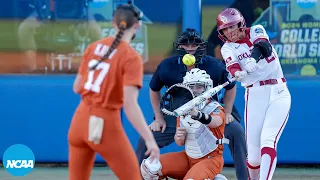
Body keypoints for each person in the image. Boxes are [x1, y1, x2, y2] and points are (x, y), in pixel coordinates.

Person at [135, 28, 248, 180]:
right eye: (185, 45)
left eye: (194, 44)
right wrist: (158, 118)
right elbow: (154, 89)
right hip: (179, 114)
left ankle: (244, 177)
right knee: (146, 140)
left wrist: (227, 112)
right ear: (179, 47)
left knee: (237, 132)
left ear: (201, 46)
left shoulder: (214, 65)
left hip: (210, 111)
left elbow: (230, 87)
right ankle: (134, 176)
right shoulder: (167, 66)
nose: (190, 48)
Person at [67, 2, 160, 180]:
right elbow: (130, 105)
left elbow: (77, 87)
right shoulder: (131, 57)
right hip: (104, 123)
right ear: (137, 25)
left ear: (113, 23)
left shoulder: (93, 47)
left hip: (79, 121)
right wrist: (149, 139)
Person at [217, 8, 291, 180]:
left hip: (278, 90)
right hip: (254, 94)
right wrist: (237, 73)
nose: (230, 32)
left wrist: (251, 59)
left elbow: (263, 46)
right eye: (225, 29)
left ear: (241, 23)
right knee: (254, 156)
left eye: (232, 26)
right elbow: (232, 66)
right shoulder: (227, 48)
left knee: (268, 140)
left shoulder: (256, 30)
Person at [140, 68, 228, 179]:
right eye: (191, 87)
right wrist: (179, 136)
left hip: (211, 159)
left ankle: (209, 176)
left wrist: (197, 114)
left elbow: (215, 122)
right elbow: (180, 143)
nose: (195, 90)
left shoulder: (215, 108)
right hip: (188, 158)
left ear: (207, 88)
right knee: (150, 167)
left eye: (199, 87)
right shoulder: (183, 111)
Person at [18, 0, 102, 73]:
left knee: (96, 32)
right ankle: (32, 68)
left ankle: (94, 68)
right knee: (24, 29)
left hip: (77, 7)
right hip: (50, 8)